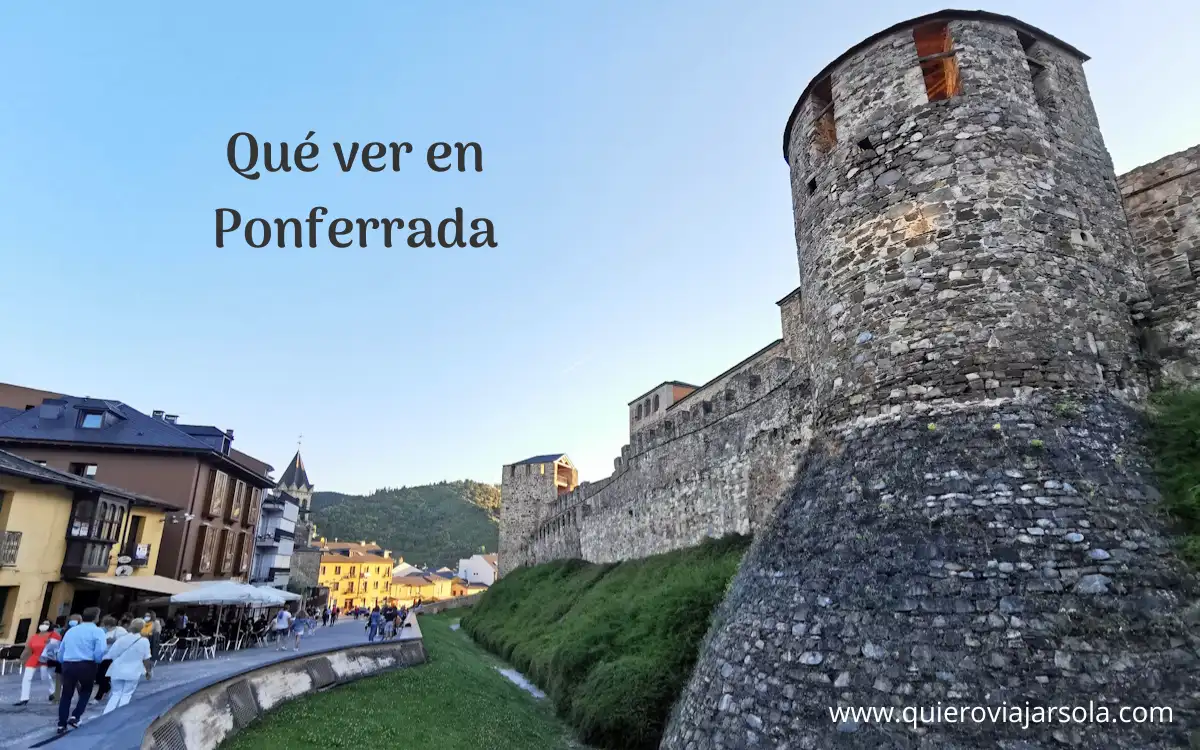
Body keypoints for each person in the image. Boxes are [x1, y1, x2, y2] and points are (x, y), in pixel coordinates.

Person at [57, 607, 106, 733]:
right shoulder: (97, 631)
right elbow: (100, 650)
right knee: (86, 690)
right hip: (87, 664)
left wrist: (63, 661)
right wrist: (97, 660)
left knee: (66, 694)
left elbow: (61, 649)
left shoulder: (71, 631)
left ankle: (61, 724)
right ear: (96, 618)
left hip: (68, 663)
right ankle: (75, 716)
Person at [102, 617, 152, 714]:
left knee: (115, 694)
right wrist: (148, 671)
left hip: (117, 669)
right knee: (126, 694)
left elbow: (111, 654)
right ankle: (121, 715)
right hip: (133, 671)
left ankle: (106, 715)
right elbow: (146, 659)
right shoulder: (144, 641)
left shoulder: (121, 639)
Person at [12, 620, 60, 706]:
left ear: (50, 626)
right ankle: (24, 698)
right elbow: (28, 649)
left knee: (45, 677)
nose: (44, 625)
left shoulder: (53, 635)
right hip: (34, 658)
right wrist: (21, 659)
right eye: (43, 623)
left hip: (45, 658)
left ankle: (52, 692)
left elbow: (57, 646)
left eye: (47, 624)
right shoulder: (34, 637)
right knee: (27, 678)